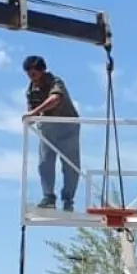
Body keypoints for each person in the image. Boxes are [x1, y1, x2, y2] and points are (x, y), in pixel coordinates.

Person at [22, 55, 82, 212]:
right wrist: (30, 117)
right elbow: (32, 111)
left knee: (70, 165)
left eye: (33, 72)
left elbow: (55, 99)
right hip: (48, 128)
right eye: (28, 72)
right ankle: (48, 197)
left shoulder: (55, 81)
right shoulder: (31, 90)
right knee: (45, 164)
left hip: (67, 126)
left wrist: (35, 112)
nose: (30, 75)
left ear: (41, 70)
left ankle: (68, 199)